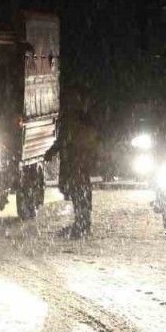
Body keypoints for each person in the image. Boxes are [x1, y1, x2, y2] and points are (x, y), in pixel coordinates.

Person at [45, 92, 100, 237]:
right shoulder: (85, 119)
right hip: (80, 161)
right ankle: (83, 223)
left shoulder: (73, 120)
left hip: (74, 160)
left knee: (78, 192)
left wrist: (52, 151)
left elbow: (64, 139)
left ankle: (81, 225)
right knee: (81, 192)